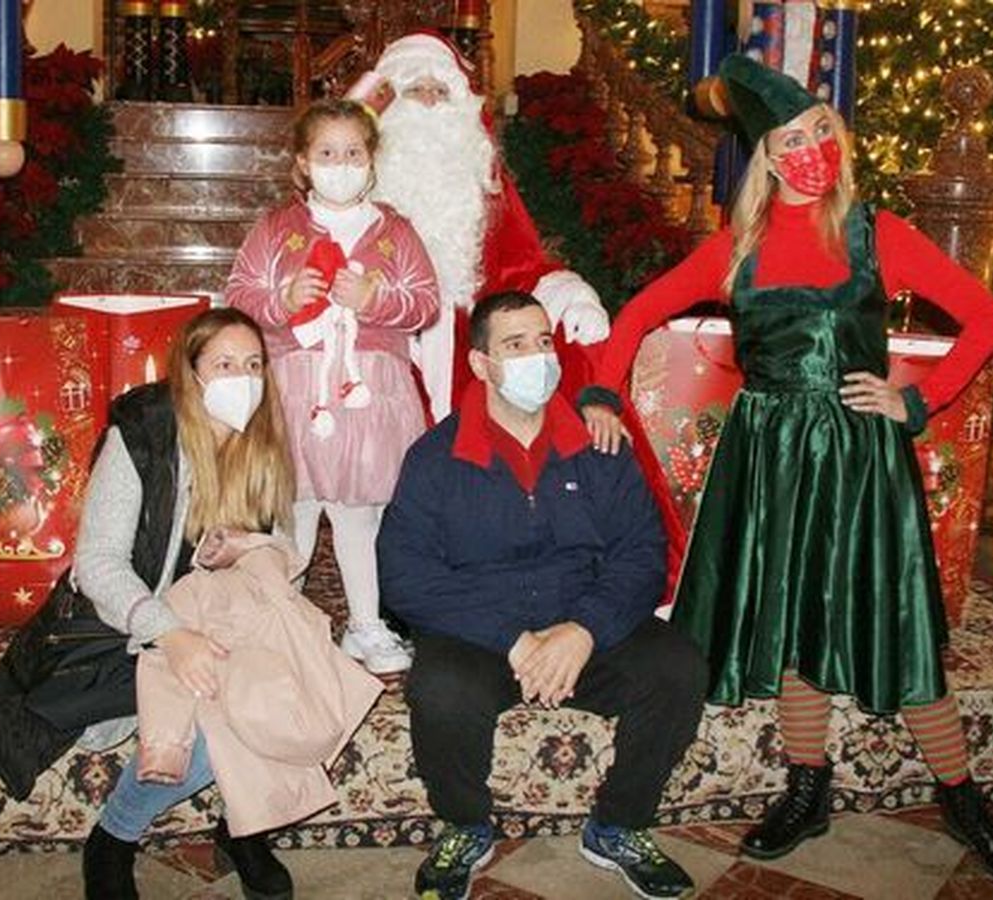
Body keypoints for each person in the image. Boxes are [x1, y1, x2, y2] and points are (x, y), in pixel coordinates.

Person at [579, 55, 993, 889]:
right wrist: (603, 390)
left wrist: (916, 401)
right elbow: (639, 310)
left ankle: (964, 800)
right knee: (793, 625)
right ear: (766, 156)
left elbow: (988, 318)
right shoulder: (738, 245)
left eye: (820, 129)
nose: (810, 148)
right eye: (791, 138)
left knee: (896, 625)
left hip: (860, 460)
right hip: (770, 461)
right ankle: (807, 784)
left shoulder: (876, 233)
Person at [378, 292, 708, 900]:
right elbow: (405, 574)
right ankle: (466, 826)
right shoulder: (435, 459)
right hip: (482, 633)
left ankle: (618, 825)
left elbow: (642, 553)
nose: (539, 357)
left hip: (581, 623)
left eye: (544, 341)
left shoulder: (600, 448)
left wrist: (584, 630)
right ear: (480, 364)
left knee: (677, 667)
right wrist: (512, 640)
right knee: (440, 688)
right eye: (516, 345)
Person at [68, 308, 299, 900]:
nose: (243, 379)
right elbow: (96, 563)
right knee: (215, 710)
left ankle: (243, 823)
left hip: (227, 616)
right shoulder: (142, 437)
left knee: (289, 682)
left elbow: (286, 554)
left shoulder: (265, 443)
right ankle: (114, 836)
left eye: (254, 365)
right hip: (132, 624)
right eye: (224, 365)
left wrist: (254, 556)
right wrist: (170, 634)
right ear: (190, 374)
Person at [227, 99, 440, 675]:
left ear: (371, 159)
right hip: (297, 388)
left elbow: (425, 301)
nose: (341, 164)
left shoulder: (395, 231)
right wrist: (282, 299)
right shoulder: (276, 229)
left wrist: (376, 299)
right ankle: (285, 623)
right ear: (303, 161)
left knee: (358, 516)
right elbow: (240, 294)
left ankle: (365, 624)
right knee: (294, 511)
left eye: (353, 152)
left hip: (369, 391)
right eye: (327, 153)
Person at [350, 32, 610, 420]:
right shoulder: (352, 181)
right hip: (375, 343)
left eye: (441, 90)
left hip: (466, 342)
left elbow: (521, 265)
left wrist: (572, 297)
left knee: (570, 338)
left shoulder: (483, 184)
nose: (430, 101)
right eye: (415, 90)